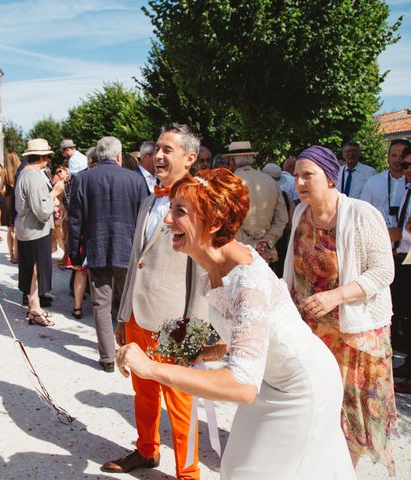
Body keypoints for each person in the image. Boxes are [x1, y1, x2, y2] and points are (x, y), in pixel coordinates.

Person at [117, 169, 355, 479]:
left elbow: (242, 385)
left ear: (213, 223)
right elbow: (239, 335)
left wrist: (151, 369)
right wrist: (194, 351)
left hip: (301, 388)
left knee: (251, 472)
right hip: (267, 382)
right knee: (235, 467)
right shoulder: (212, 267)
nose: (167, 220)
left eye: (180, 212)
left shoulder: (248, 284)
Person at [284, 146, 397, 474]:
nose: (300, 183)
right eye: (297, 176)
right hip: (313, 331)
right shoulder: (299, 214)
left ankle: (344, 472)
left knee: (350, 411)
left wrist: (335, 297)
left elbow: (382, 272)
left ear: (330, 178)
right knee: (317, 405)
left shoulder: (361, 214)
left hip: (354, 334)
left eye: (308, 175)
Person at [102, 124, 206, 479]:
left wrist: (195, 328)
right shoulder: (149, 199)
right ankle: (146, 450)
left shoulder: (200, 201)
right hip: (137, 317)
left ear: (190, 158)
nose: (158, 156)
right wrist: (121, 314)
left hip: (177, 321)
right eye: (157, 149)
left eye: (168, 150)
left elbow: (204, 272)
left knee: (180, 403)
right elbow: (137, 261)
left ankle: (188, 472)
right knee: (142, 392)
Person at [68, 136, 149, 371]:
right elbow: (145, 219)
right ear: (119, 156)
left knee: (101, 305)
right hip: (129, 250)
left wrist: (73, 254)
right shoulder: (135, 180)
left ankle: (107, 358)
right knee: (129, 304)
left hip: (98, 248)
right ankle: (131, 353)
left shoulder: (83, 179)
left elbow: (75, 222)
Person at [15, 138, 64, 326]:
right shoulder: (33, 176)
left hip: (28, 229)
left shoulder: (26, 173)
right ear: (44, 157)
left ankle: (33, 306)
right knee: (35, 269)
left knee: (31, 268)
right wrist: (54, 194)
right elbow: (42, 211)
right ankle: (34, 308)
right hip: (35, 230)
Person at [224, 141, 288, 267]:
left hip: (238, 253)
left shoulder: (228, 184)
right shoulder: (270, 181)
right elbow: (282, 218)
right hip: (265, 253)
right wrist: (266, 241)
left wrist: (251, 244)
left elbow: (227, 220)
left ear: (232, 161)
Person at [390, 146, 411, 392]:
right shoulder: (404, 189)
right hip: (404, 255)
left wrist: (398, 235)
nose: (404, 169)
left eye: (407, 165)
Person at [360, 139, 409, 227]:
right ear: (388, 157)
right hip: (378, 236)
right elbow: (362, 212)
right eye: (394, 155)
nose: (397, 160)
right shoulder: (372, 182)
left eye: (401, 156)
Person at [0, 151, 21, 263]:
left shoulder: (4, 172)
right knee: (18, 229)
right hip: (18, 200)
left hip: (8, 201)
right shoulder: (21, 171)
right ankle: (17, 254)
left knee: (10, 230)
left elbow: (1, 188)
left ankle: (11, 255)